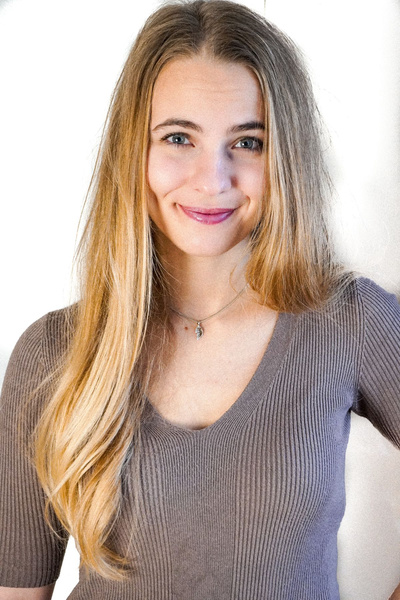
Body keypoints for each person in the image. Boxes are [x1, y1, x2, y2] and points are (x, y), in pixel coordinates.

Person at [0, 0, 399, 598]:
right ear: (132, 150)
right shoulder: (53, 353)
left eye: (249, 142)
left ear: (285, 157)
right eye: (179, 137)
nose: (212, 180)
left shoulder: (350, 321)